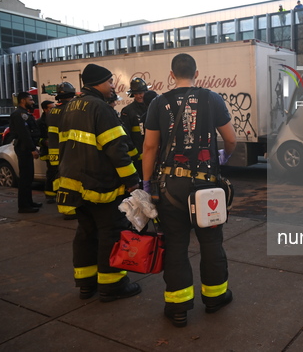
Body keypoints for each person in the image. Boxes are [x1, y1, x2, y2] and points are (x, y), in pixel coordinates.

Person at [143, 53, 237, 328]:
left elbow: (150, 147)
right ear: (197, 72)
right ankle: (215, 298)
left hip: (170, 186)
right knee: (211, 243)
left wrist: (147, 183)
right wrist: (223, 157)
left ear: (171, 74)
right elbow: (230, 138)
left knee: (175, 245)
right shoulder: (212, 98)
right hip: (207, 185)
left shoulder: (159, 103)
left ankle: (178, 307)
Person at [54, 63, 142, 302]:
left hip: (74, 185)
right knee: (111, 233)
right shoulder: (101, 109)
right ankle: (111, 286)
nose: (113, 86)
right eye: (110, 82)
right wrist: (132, 181)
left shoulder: (70, 107)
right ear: (98, 84)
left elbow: (62, 146)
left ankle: (86, 284)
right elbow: (117, 150)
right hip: (101, 185)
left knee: (86, 233)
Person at [47, 82, 78, 219]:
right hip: (68, 151)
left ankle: (62, 205)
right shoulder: (71, 110)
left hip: (54, 151)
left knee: (59, 179)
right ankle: (70, 210)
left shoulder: (52, 111)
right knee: (71, 180)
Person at [9, 91, 42, 213]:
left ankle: (29, 202)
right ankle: (24, 206)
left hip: (26, 148)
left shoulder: (24, 114)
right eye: (31, 100)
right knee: (25, 178)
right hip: (24, 149)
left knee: (29, 178)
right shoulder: (19, 115)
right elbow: (24, 133)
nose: (33, 102)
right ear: (23, 101)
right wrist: (32, 149)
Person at [121, 77, 150, 180]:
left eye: (141, 92)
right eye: (136, 93)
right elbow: (126, 136)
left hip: (153, 155)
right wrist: (135, 156)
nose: (139, 96)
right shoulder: (128, 111)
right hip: (138, 159)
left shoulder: (153, 107)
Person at [37, 99, 56, 203]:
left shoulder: (55, 119)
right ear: (45, 109)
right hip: (48, 152)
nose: (53, 110)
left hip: (57, 150)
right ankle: (50, 195)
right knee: (51, 173)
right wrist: (44, 142)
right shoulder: (40, 123)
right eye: (51, 108)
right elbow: (36, 138)